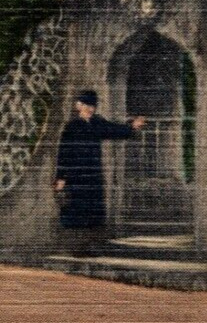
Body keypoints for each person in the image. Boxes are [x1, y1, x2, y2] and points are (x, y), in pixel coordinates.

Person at [53, 91, 146, 240]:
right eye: (87, 105)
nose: (90, 109)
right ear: (78, 106)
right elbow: (64, 153)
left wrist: (132, 127)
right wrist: (61, 177)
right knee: (76, 210)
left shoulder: (97, 122)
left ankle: (91, 243)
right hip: (76, 175)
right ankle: (76, 245)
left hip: (93, 173)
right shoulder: (71, 127)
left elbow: (114, 130)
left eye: (93, 106)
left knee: (93, 211)